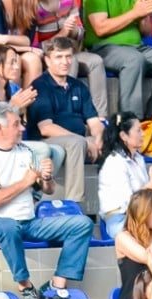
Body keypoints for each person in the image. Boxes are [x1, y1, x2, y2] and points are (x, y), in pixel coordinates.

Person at [0, 102, 92, 299]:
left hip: (27, 222)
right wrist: (25, 182)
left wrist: (46, 177)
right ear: (0, 128)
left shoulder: (27, 151)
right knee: (8, 226)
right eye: (17, 124)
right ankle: (26, 288)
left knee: (82, 224)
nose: (22, 129)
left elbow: (48, 190)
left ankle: (57, 282)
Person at [27, 36, 104, 203]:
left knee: (112, 142)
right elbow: (46, 128)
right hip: (47, 142)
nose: (65, 62)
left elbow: (94, 122)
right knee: (77, 143)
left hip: (78, 141)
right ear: (47, 60)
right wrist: (83, 140)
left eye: (69, 56)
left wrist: (98, 139)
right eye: (59, 57)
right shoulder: (40, 86)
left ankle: (115, 205)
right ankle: (74, 203)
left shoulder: (78, 86)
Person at [0, 44, 63, 173]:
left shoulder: (14, 89)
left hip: (10, 141)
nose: (17, 67)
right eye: (11, 63)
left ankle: (35, 191)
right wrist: (11, 107)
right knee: (43, 149)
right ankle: (27, 186)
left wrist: (24, 111)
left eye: (16, 62)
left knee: (58, 151)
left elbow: (22, 125)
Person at [97, 112, 152, 238]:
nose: (143, 134)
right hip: (121, 222)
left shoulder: (138, 158)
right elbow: (132, 204)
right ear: (124, 136)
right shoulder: (114, 163)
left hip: (143, 215)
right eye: (138, 130)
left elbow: (144, 194)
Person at [83, 0, 152, 118]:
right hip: (105, 48)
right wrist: (135, 13)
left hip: (138, 47)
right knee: (133, 59)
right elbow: (100, 29)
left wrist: (144, 16)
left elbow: (146, 32)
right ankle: (129, 122)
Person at [35, 0, 108, 119]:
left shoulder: (68, 2)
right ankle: (67, 113)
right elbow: (36, 46)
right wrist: (63, 32)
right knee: (70, 61)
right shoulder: (34, 6)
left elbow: (80, 34)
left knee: (96, 61)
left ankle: (100, 117)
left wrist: (73, 29)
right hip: (45, 54)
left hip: (70, 50)